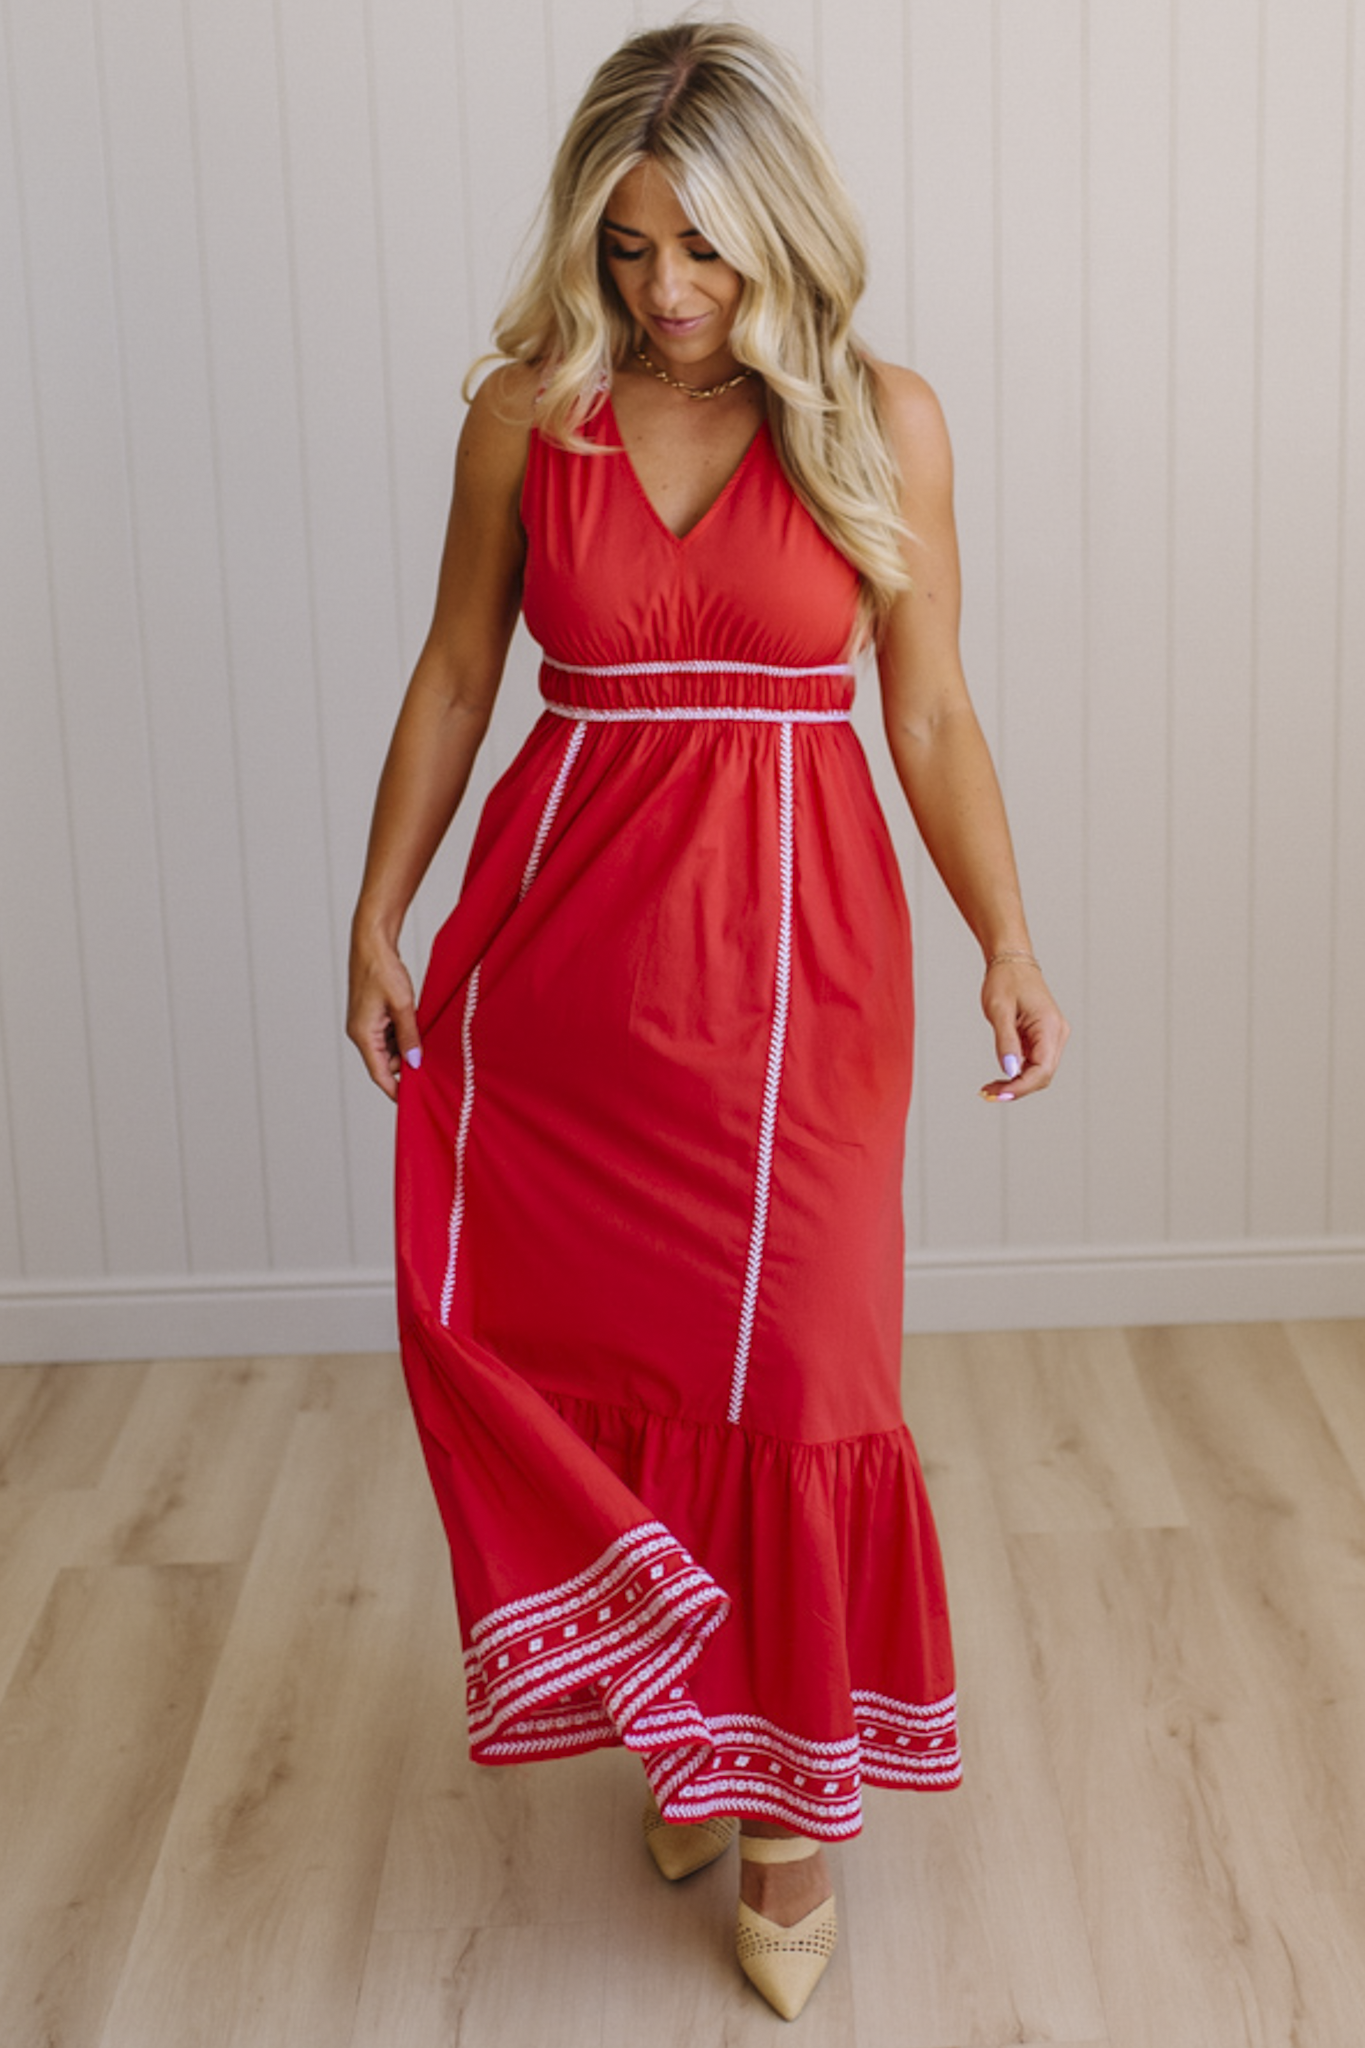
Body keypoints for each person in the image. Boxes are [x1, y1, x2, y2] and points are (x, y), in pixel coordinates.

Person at [347, 19, 1067, 2023]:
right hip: (565, 983)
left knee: (807, 1373)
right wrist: (380, 904)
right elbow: (454, 671)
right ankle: (692, 1709)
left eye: (707, 254)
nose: (668, 295)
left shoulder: (880, 422)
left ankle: (783, 1810)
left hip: (800, 997)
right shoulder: (526, 415)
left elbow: (924, 709)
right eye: (631, 250)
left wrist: (1004, 934)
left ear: (785, 240)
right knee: (604, 1356)